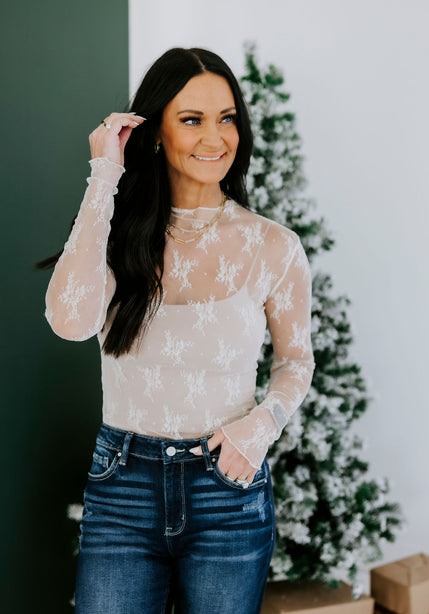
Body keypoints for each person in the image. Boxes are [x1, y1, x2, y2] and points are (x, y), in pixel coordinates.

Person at [41, 47, 315, 614]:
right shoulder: (114, 235)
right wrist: (104, 176)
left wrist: (263, 424)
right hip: (123, 488)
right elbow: (69, 322)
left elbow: (295, 361)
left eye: (226, 118)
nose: (215, 138)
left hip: (228, 492)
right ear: (156, 133)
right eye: (192, 120)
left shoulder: (273, 246)